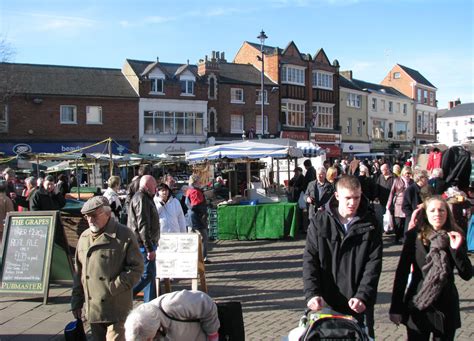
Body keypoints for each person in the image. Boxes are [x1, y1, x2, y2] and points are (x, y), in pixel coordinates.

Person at [303, 175, 383, 339]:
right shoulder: (320, 221)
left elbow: (373, 266)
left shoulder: (370, 224)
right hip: (326, 301)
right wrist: (312, 293)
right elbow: (310, 261)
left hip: (358, 303)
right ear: (337, 195)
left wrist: (363, 295)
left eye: (356, 197)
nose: (352, 203)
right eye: (348, 198)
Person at [389, 196, 472, 340]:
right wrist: (396, 308)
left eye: (441, 210)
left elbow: (466, 274)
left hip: (445, 306)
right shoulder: (414, 236)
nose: (437, 214)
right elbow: (402, 273)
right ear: (426, 214)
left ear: (447, 213)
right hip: (418, 302)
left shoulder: (455, 235)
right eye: (432, 210)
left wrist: (456, 250)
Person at [71, 196, 143, 341]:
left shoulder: (124, 235)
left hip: (116, 308)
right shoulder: (84, 238)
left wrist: (113, 287)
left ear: (108, 213)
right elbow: (79, 272)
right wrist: (76, 301)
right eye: (87, 216)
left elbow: (137, 268)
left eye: (94, 216)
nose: (90, 220)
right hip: (94, 310)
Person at [124, 290, 220, 341]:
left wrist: (213, 334)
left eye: (148, 339)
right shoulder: (135, 327)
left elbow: (206, 303)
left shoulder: (171, 304)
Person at [128, 175, 160, 303]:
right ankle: (125, 295)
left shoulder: (144, 197)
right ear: (147, 186)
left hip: (145, 243)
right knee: (147, 275)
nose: (156, 188)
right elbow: (143, 225)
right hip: (143, 244)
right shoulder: (141, 199)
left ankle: (150, 303)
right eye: (154, 186)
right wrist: (149, 248)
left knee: (151, 275)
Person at [185, 175, 210, 263]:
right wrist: (204, 209)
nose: (200, 183)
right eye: (199, 181)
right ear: (195, 182)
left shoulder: (190, 190)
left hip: (191, 218)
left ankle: (194, 258)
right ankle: (202, 258)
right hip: (196, 218)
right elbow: (195, 206)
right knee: (203, 238)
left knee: (193, 239)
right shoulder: (194, 191)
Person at [387, 166, 413, 244]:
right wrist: (389, 204)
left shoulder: (412, 182)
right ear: (403, 173)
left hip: (408, 204)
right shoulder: (397, 180)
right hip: (398, 204)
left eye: (409, 173)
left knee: (405, 223)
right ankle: (397, 237)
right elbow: (392, 193)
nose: (408, 175)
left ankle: (404, 238)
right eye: (407, 173)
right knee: (398, 223)